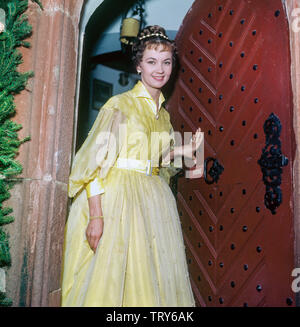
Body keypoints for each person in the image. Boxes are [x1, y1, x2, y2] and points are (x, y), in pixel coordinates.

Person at [61, 25, 203, 307]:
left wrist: (183, 150)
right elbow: (94, 162)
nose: (159, 69)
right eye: (151, 62)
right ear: (139, 65)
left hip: (154, 203)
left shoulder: (164, 115)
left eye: (166, 62)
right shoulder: (120, 105)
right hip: (118, 202)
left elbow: (155, 159)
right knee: (112, 286)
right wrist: (96, 216)